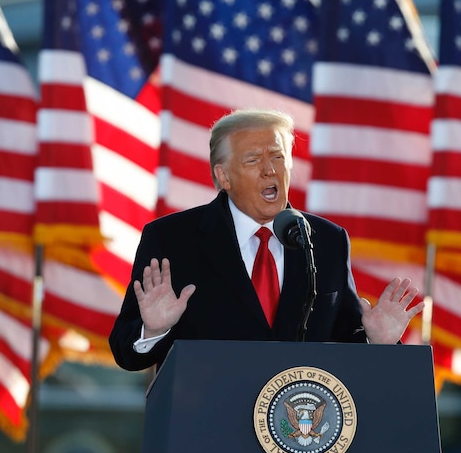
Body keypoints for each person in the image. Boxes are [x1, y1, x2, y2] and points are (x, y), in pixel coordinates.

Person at [109, 108, 424, 371]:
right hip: (206, 430)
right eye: (252, 160)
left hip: (300, 432)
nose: (269, 170)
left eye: (277, 156)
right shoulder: (172, 239)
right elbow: (126, 352)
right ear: (224, 177)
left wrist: (376, 340)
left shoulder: (327, 241)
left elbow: (345, 341)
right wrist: (154, 330)